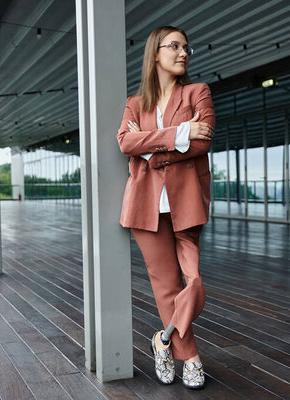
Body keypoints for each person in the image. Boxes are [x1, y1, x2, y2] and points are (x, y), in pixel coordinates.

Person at [116, 25, 215, 389]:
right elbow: (126, 143)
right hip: (145, 207)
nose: (183, 53)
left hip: (186, 202)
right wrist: (178, 135)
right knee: (166, 287)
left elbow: (203, 140)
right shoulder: (135, 103)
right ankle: (189, 357)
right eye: (174, 46)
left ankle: (163, 338)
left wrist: (150, 147)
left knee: (194, 282)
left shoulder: (197, 92)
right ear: (155, 53)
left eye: (187, 47)